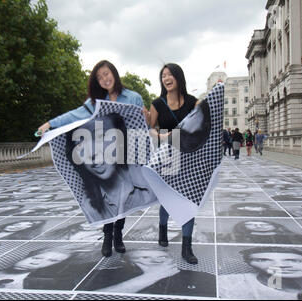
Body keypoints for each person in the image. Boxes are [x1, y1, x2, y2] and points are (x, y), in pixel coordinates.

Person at [37, 60, 146, 258]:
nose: (105, 79)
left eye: (107, 74)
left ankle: (118, 235)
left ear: (114, 72)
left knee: (123, 196)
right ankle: (107, 236)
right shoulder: (93, 104)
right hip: (103, 154)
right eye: (100, 77)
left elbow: (142, 124)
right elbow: (73, 116)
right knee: (106, 193)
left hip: (125, 154)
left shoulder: (133, 97)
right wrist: (49, 124)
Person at [66, 113, 156, 255]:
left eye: (102, 137)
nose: (92, 154)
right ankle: (107, 237)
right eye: (81, 143)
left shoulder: (145, 185)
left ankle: (118, 236)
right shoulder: (88, 205)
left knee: (123, 204)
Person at [146, 63, 201, 264]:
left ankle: (187, 247)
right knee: (168, 199)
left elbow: (203, 123)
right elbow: (149, 128)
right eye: (163, 76)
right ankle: (163, 228)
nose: (166, 78)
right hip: (167, 158)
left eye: (169, 75)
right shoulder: (157, 104)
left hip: (190, 158)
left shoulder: (193, 102)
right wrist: (163, 135)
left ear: (178, 77)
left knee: (189, 201)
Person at [219, 247, 302, 299]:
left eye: (294, 260)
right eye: (263, 260)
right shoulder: (227, 285)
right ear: (251, 266)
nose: (281, 265)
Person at [78, 248, 216, 297]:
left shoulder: (201, 277)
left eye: (162, 257)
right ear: (129, 263)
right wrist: (150, 277)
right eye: (144, 257)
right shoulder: (105, 275)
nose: (156, 262)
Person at [218, 220, 302, 245]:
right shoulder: (229, 238)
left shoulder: (301, 239)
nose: (258, 226)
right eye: (251, 224)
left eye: (263, 224)